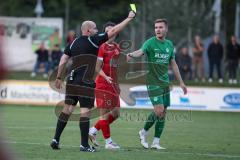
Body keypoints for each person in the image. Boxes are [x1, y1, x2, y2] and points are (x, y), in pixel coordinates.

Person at [50, 11, 136, 152]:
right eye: (95, 28)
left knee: (67, 110)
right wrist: (129, 18)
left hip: (72, 80)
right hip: (85, 81)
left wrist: (59, 77)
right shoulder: (93, 40)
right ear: (89, 30)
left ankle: (55, 139)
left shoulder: (74, 42)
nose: (97, 31)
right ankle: (84, 145)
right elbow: (114, 30)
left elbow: (64, 59)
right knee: (85, 113)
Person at [126, 19, 187, 150]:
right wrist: (131, 54)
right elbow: (141, 51)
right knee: (159, 110)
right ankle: (143, 132)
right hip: (153, 82)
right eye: (156, 27)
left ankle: (156, 142)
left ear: (166, 29)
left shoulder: (169, 45)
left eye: (160, 27)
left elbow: (173, 64)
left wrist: (181, 82)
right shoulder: (150, 42)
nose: (158, 29)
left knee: (163, 112)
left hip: (165, 82)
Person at [88, 22, 121, 149]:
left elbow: (115, 67)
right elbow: (97, 67)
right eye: (107, 31)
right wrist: (106, 77)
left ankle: (93, 130)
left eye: (112, 30)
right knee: (104, 114)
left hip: (113, 85)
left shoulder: (118, 47)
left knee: (116, 113)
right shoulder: (102, 46)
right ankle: (109, 142)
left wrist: (117, 84)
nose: (109, 32)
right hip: (102, 83)